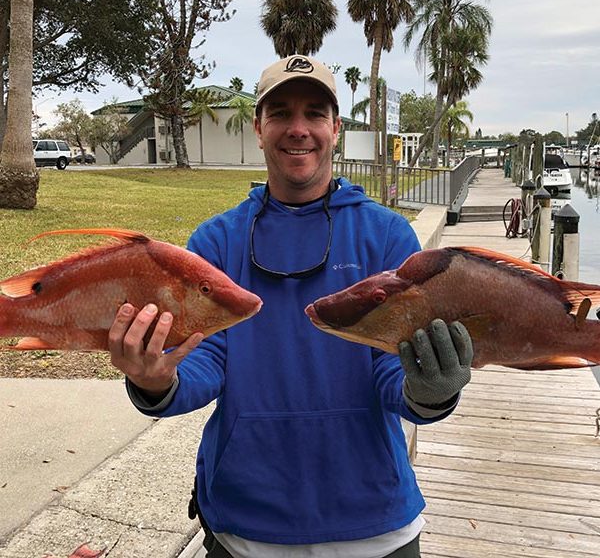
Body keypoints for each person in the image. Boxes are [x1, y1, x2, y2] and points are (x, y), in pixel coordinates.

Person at [108, 54, 473, 558]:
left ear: (336, 128)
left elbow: (390, 373)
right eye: (280, 113)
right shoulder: (217, 241)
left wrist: (429, 388)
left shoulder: (386, 235)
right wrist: (155, 379)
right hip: (245, 526)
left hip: (374, 525)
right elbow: (205, 360)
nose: (298, 129)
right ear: (258, 128)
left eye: (314, 114)